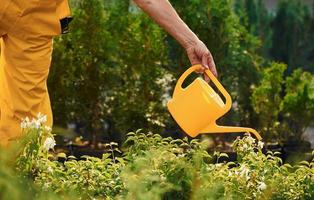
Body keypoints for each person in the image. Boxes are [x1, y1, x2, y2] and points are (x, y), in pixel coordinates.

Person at [0, 0, 216, 147]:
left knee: (27, 124)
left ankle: (15, 186)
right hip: (34, 17)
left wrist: (190, 42)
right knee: (26, 119)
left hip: (34, 17)